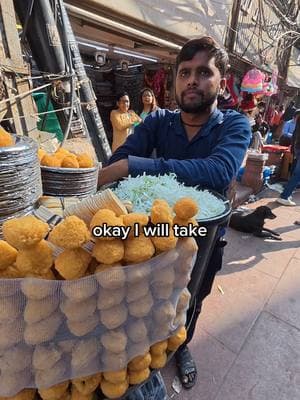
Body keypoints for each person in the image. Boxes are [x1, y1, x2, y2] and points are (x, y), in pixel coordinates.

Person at [98, 36, 251, 395]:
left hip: (204, 240)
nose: (192, 81)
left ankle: (181, 348)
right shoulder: (158, 122)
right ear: (174, 81)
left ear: (222, 81)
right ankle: (146, 355)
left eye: (203, 72)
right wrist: (123, 164)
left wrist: (133, 166)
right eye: (184, 73)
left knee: (191, 301)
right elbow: (119, 158)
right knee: (144, 301)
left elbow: (217, 171)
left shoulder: (234, 125)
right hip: (154, 238)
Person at [277, 118, 300, 206]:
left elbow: (295, 134)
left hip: (298, 148)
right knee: (297, 175)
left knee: (296, 174)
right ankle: (284, 196)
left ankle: (285, 194)